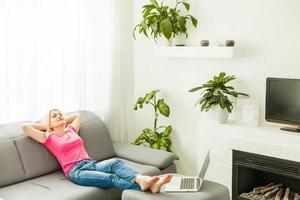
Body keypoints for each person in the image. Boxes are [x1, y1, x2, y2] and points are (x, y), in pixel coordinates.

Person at [22, 109, 172, 193]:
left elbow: (77, 115)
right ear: (49, 123)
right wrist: (47, 126)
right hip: (76, 171)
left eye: (60, 113)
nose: (60, 115)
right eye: (54, 115)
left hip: (90, 163)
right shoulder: (48, 137)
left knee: (115, 163)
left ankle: (141, 180)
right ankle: (147, 185)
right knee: (110, 178)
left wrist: (60, 121)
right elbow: (25, 127)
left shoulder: (72, 131)